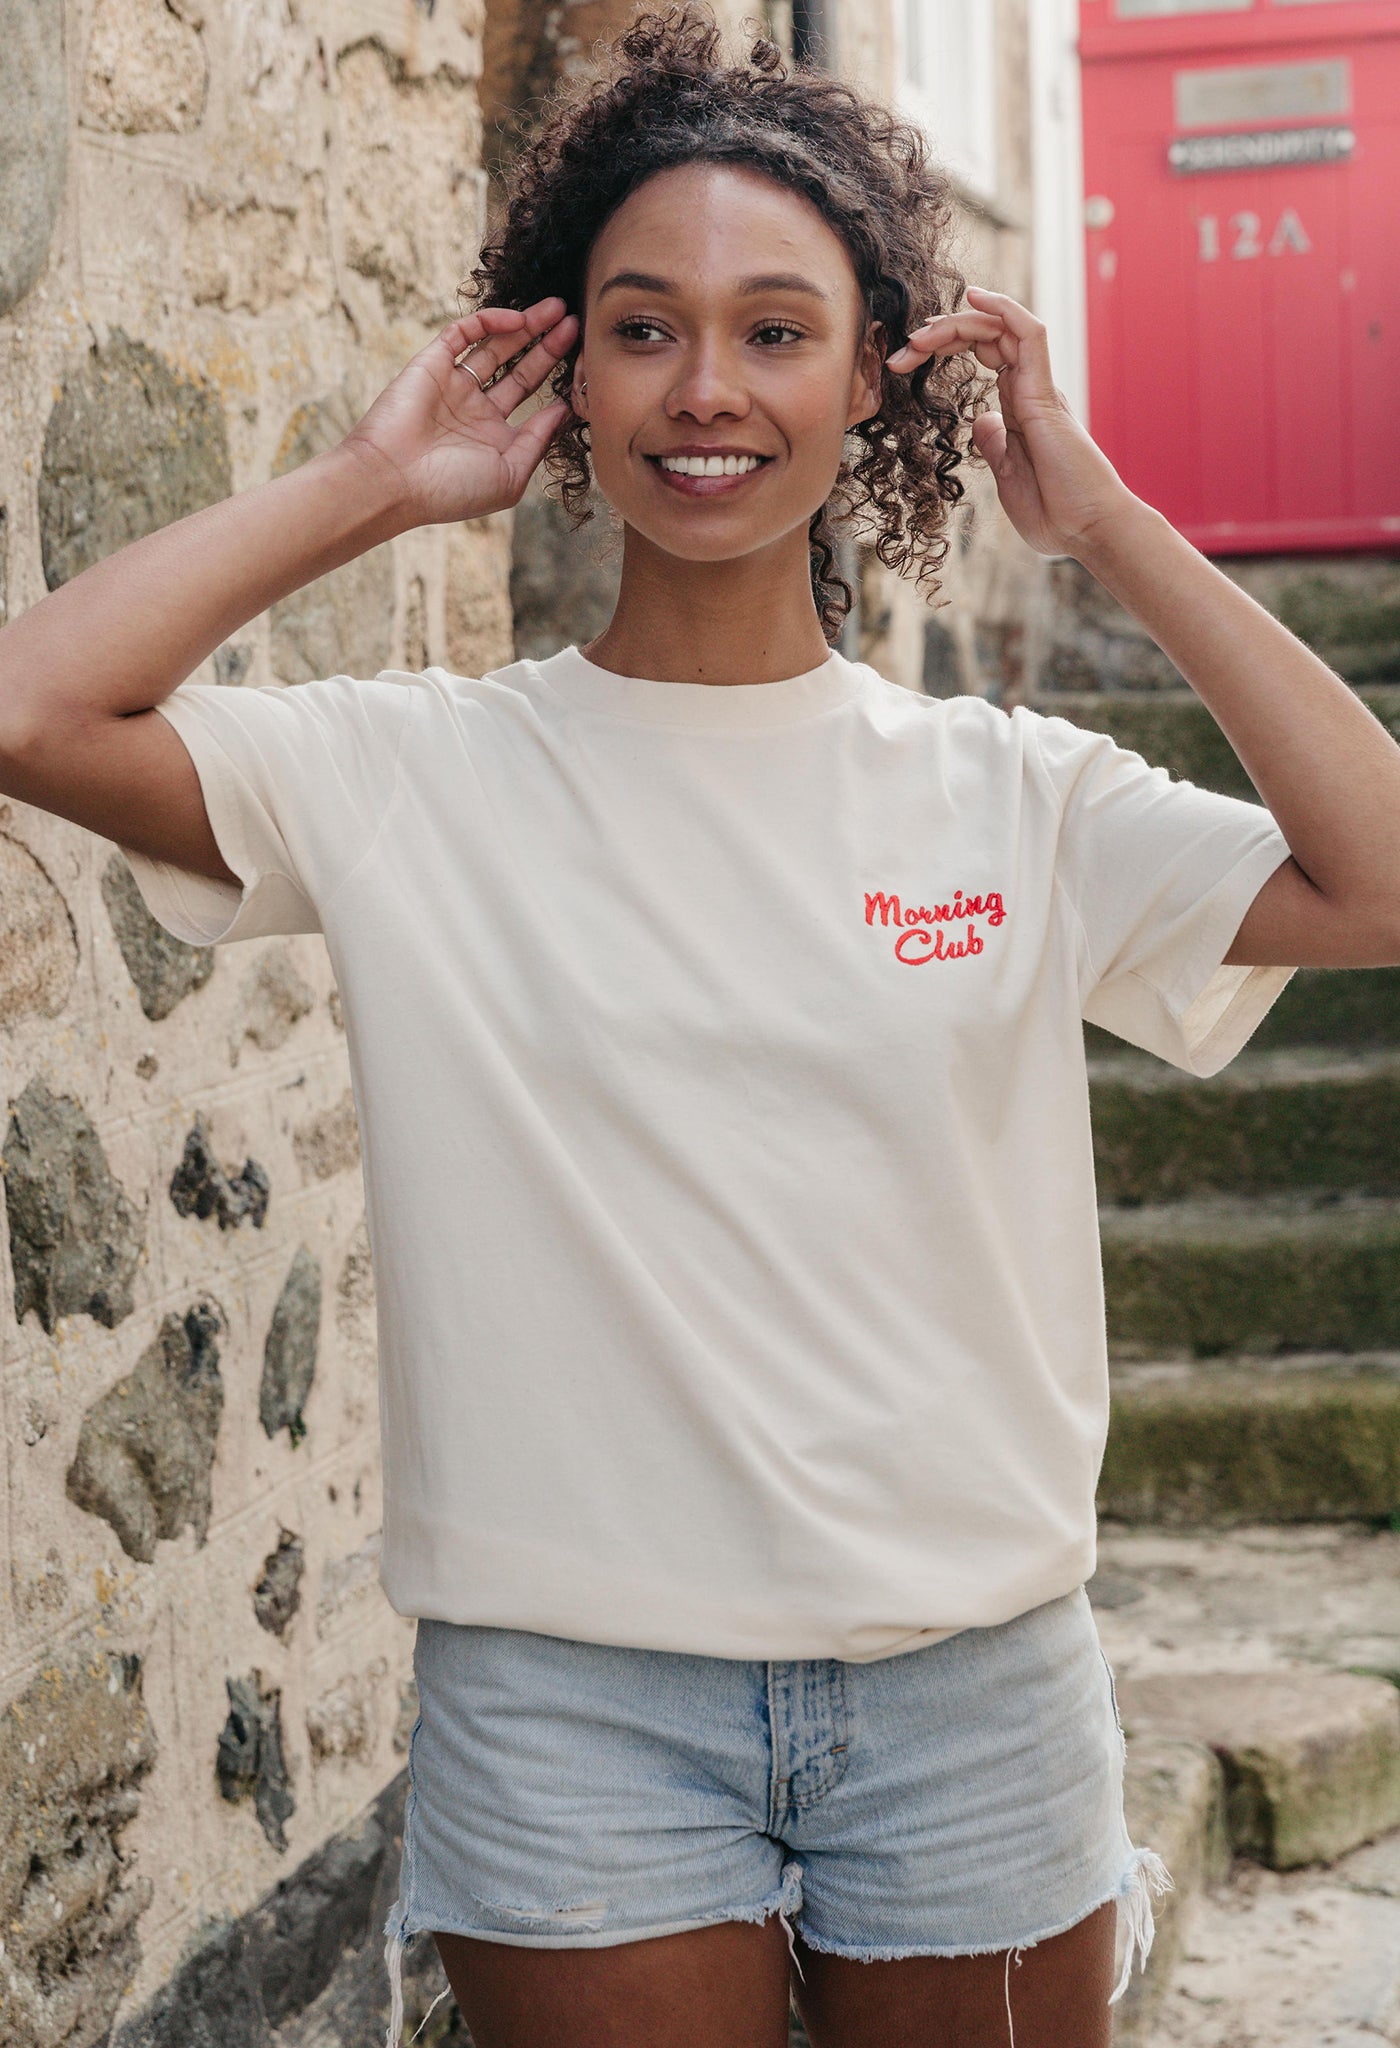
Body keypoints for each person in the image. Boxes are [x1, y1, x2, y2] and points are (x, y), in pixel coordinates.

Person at [3, 7, 1399, 2044]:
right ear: (566, 366)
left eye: (775, 329)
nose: (707, 389)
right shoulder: (414, 774)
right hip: (577, 1701)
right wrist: (378, 484)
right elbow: (33, 711)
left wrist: (1100, 521)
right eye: (643, 327)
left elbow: (1376, 879)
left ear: (873, 375)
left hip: (972, 1685)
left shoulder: (1013, 793)